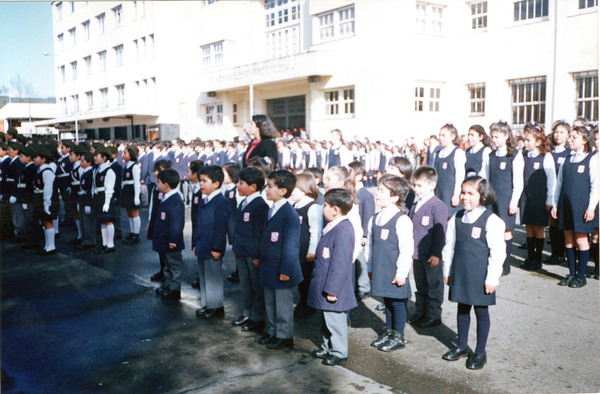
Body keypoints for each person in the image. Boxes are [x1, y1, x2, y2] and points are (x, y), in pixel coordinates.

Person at [441, 176, 505, 370]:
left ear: (483, 195)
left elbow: (497, 252)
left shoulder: (492, 220)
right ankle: (461, 346)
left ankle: (480, 352)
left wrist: (492, 277)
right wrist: (448, 269)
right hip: (461, 272)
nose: (464, 197)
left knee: (481, 311)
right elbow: (449, 246)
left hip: (481, 275)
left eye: (470, 193)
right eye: (462, 192)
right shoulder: (457, 218)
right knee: (462, 308)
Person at [308, 188, 357, 366]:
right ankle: (327, 346)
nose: (323, 207)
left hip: (334, 287)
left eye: (326, 205)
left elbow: (341, 264)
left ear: (335, 210)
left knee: (335, 321)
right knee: (326, 319)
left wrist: (332, 290)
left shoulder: (343, 230)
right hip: (324, 283)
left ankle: (339, 351)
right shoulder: (335, 225)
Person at [366, 175, 414, 352]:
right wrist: (370, 267)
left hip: (394, 270)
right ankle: (389, 331)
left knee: (397, 302)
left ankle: (398, 336)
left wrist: (402, 273)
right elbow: (370, 248)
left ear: (395, 197)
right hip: (380, 269)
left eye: (382, 191)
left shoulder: (401, 220)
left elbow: (406, 250)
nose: (377, 194)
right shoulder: (375, 218)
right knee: (387, 301)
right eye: (378, 190)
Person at [257, 170, 302, 350]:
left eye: (270, 186)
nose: (266, 190)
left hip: (282, 268)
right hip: (269, 266)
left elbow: (291, 246)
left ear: (283, 191)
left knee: (282, 305)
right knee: (270, 302)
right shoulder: (272, 208)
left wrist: (286, 270)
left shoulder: (289, 214)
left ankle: (284, 336)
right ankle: (272, 330)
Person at [552, 126, 598, 288]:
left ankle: (581, 275)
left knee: (581, 239)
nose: (570, 140)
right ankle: (571, 273)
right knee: (568, 239)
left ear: (585, 140)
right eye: (569, 137)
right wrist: (555, 203)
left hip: (581, 206)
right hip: (566, 205)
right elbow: (559, 184)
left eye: (574, 137)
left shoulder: (591, 159)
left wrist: (591, 207)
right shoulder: (566, 159)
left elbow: (595, 186)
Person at [408, 166, 448, 328]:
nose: (416, 189)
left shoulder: (437, 206)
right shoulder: (415, 205)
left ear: (431, 186)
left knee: (433, 286)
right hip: (417, 253)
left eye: (419, 186)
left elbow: (440, 233)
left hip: (431, 255)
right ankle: (421, 311)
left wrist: (436, 254)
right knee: (421, 285)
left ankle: (433, 315)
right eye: (415, 185)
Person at [231, 166, 269, 332]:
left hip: (252, 254)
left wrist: (257, 256)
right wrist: (235, 248)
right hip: (241, 251)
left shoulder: (260, 206)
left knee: (256, 287)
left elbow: (259, 234)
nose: (237, 186)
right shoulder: (243, 203)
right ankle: (247, 313)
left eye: (241, 183)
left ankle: (257, 317)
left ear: (253, 186)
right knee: (245, 286)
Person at [193, 165, 232, 319]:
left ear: (216, 183)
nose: (200, 184)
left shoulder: (221, 202)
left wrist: (217, 247)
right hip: (202, 245)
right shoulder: (204, 201)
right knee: (204, 276)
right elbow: (198, 223)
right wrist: (194, 243)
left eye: (204, 181)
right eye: (199, 181)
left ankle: (216, 306)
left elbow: (221, 227)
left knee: (213, 277)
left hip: (212, 248)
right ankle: (207, 304)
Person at [486, 120, 524, 276]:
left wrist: (514, 201)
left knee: (506, 232)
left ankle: (505, 264)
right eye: (492, 136)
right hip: (492, 199)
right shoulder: (491, 156)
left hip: (506, 198)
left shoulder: (514, 156)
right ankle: (493, 260)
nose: (493, 139)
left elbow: (518, 182)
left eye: (496, 136)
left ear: (506, 136)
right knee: (492, 231)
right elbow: (487, 178)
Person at [324, 165, 366, 299]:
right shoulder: (328, 200)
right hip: (329, 253)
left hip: (343, 255)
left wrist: (354, 253)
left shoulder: (349, 205)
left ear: (341, 183)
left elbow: (357, 231)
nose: (325, 181)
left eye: (329, 178)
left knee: (341, 290)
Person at [519, 122, 556, 271]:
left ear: (538, 142)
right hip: (526, 198)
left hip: (540, 198)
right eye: (525, 139)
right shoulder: (523, 156)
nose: (525, 142)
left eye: (528, 140)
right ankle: (530, 257)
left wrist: (549, 199)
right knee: (529, 226)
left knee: (538, 228)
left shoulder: (545, 157)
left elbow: (552, 180)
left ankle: (537, 258)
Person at [290, 172, 323, 318]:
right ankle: (303, 302)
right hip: (296, 248)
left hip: (306, 250)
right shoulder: (295, 204)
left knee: (307, 278)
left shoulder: (312, 207)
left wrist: (312, 251)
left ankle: (308, 304)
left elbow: (316, 231)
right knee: (300, 278)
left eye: (294, 188)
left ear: (303, 189)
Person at [153, 168, 186, 300]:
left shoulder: (175, 200)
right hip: (163, 240)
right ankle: (168, 284)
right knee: (167, 264)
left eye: (159, 182)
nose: (157, 185)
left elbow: (177, 224)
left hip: (171, 241)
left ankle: (175, 289)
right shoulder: (166, 197)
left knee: (174, 265)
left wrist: (173, 240)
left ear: (166, 185)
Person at [546, 120, 571, 266]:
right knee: (552, 224)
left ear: (568, 135)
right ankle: (556, 253)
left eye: (561, 132)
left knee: (563, 224)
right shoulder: (549, 152)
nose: (558, 135)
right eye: (556, 132)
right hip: (551, 193)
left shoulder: (569, 153)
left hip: (563, 193)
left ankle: (564, 253)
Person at [433, 123, 466, 219]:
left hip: (449, 193)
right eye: (439, 135)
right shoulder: (438, 154)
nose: (440, 138)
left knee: (449, 218)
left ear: (452, 136)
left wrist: (456, 194)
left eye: (443, 135)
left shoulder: (457, 152)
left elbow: (460, 175)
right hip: (438, 192)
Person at [32, 146, 59, 255]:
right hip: (40, 198)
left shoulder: (47, 172)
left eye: (36, 157)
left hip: (47, 199)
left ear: (44, 159)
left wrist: (47, 204)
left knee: (48, 222)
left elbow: (48, 189)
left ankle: (51, 247)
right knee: (45, 222)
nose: (34, 159)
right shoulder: (40, 170)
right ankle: (47, 246)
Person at [148, 160, 172, 282]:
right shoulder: (156, 188)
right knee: (159, 247)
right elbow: (152, 205)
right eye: (155, 170)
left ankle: (167, 272)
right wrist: (149, 221)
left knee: (166, 250)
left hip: (165, 223)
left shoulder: (169, 188)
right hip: (156, 221)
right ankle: (162, 270)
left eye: (159, 170)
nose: (156, 173)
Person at [15, 146, 37, 248]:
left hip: (29, 200)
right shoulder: (26, 168)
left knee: (31, 220)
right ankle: (31, 240)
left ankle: (33, 241)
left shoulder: (31, 169)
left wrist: (25, 200)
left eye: (22, 156)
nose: (20, 158)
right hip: (26, 198)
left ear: (28, 157)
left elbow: (29, 187)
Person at [121, 144, 142, 244]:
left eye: (125, 153)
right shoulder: (126, 165)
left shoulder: (135, 166)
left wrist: (136, 196)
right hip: (126, 191)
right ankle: (132, 232)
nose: (123, 155)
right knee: (129, 213)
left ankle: (136, 234)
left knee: (134, 213)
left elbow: (136, 183)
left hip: (132, 191)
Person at [188, 159, 204, 289]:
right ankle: (200, 274)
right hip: (196, 224)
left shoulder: (202, 191)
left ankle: (202, 276)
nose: (188, 174)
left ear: (194, 174)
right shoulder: (196, 187)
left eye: (189, 171)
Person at [77, 151, 96, 250]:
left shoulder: (90, 173)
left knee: (87, 221)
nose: (81, 162)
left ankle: (90, 240)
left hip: (87, 200)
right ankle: (85, 240)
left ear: (89, 163)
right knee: (83, 220)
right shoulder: (84, 172)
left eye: (83, 161)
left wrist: (89, 203)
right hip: (82, 200)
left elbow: (89, 189)